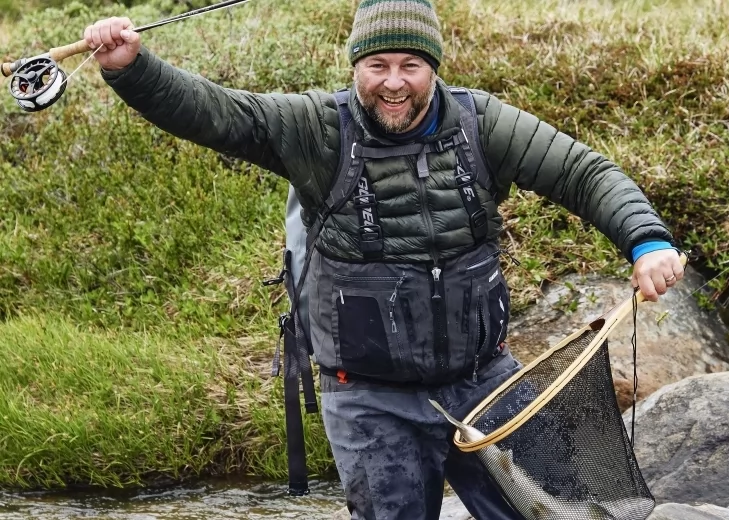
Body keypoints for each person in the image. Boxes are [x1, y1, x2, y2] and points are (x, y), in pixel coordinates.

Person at [84, 1, 684, 518]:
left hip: (485, 382)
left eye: (410, 66)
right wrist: (131, 68)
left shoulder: (483, 124)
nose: (394, 83)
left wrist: (647, 241)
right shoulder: (317, 129)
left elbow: (584, 172)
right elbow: (216, 113)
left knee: (559, 512)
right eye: (378, 65)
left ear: (433, 68)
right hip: (369, 400)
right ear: (356, 67)